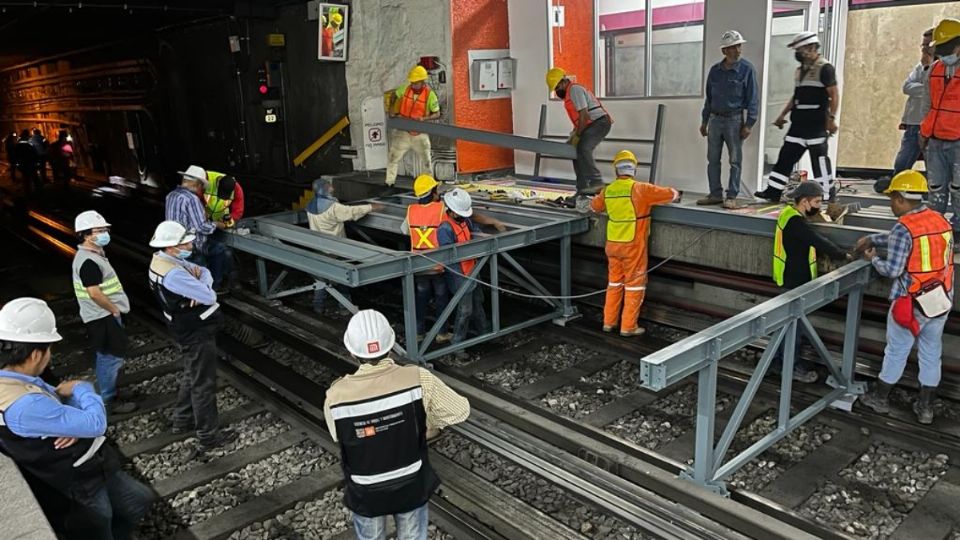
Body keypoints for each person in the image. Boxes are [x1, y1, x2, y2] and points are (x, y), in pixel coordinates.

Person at [0, 297, 154, 539]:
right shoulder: (25, 403)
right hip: (75, 482)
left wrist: (65, 421)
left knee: (138, 501)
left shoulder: (13, 380)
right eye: (49, 348)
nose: (50, 355)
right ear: (35, 355)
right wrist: (84, 388)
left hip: (89, 466)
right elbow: (96, 423)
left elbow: (55, 407)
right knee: (98, 528)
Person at [324, 309, 469, 540]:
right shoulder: (418, 378)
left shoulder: (336, 394)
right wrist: (427, 425)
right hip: (410, 483)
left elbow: (339, 436)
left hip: (365, 490)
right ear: (390, 346)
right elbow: (460, 410)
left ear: (352, 352)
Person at [857, 171, 953, 425]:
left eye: (891, 199)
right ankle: (925, 408)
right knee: (932, 351)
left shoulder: (903, 228)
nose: (890, 204)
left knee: (897, 350)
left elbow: (893, 270)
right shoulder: (940, 219)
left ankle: (879, 398)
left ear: (900, 198)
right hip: (939, 299)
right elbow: (912, 243)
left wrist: (872, 257)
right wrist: (873, 238)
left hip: (910, 302)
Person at [147, 221, 237, 455]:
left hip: (183, 326)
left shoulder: (162, 261)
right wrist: (201, 288)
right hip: (195, 329)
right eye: (185, 242)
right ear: (171, 246)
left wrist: (199, 283)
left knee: (192, 371)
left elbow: (204, 273)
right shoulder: (175, 273)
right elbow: (209, 295)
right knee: (203, 383)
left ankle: (182, 419)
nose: (190, 245)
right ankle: (208, 436)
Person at [590, 150, 678, 337]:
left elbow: (595, 207)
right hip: (633, 245)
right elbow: (671, 194)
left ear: (616, 171)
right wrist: (676, 193)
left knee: (614, 283)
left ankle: (608, 322)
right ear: (634, 170)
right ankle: (628, 327)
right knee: (634, 285)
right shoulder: (641, 189)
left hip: (613, 244)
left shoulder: (609, 190)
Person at [771, 182, 848, 382]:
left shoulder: (787, 214)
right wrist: (843, 255)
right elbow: (817, 240)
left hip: (789, 278)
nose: (818, 206)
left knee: (786, 326)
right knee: (793, 328)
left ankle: (778, 364)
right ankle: (791, 366)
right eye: (816, 202)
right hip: (794, 281)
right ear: (804, 201)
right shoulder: (796, 222)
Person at [755, 32, 840, 203]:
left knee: (820, 163)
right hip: (798, 125)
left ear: (812, 48)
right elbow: (796, 97)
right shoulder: (799, 71)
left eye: (799, 50)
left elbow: (834, 95)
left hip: (816, 125)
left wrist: (831, 119)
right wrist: (782, 115)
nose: (797, 54)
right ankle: (773, 192)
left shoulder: (825, 68)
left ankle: (826, 196)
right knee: (785, 159)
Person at [72, 210, 137, 414]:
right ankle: (108, 400)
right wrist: (114, 310)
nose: (104, 233)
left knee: (110, 355)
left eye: (105, 229)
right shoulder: (88, 261)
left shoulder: (93, 255)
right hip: (102, 316)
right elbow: (94, 293)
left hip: (103, 314)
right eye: (98, 230)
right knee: (110, 357)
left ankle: (111, 390)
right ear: (85, 234)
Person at [699, 30, 759, 209]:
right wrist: (704, 121)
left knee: (735, 160)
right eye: (733, 47)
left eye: (739, 46)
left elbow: (753, 98)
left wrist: (749, 124)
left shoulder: (747, 70)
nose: (738, 50)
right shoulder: (714, 72)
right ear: (724, 51)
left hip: (734, 121)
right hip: (715, 120)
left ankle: (731, 196)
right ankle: (715, 194)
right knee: (713, 159)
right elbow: (709, 98)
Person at [307, 177, 383, 315]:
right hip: (335, 249)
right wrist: (372, 207)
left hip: (318, 248)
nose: (333, 189)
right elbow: (351, 212)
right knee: (342, 278)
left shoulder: (311, 206)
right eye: (330, 187)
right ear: (324, 189)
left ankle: (318, 306)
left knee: (320, 279)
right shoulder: (332, 207)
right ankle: (345, 307)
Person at [545, 67, 613, 212]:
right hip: (590, 125)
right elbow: (579, 121)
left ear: (563, 81)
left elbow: (584, 115)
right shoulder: (569, 95)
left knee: (583, 147)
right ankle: (582, 189)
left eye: (557, 87)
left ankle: (596, 181)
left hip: (600, 122)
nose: (557, 91)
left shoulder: (575, 90)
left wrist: (577, 135)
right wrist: (573, 135)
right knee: (574, 152)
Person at [438, 189, 490, 359]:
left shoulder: (464, 221)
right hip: (459, 274)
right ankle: (458, 345)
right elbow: (449, 257)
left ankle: (485, 333)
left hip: (472, 269)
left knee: (478, 302)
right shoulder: (445, 228)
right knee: (465, 310)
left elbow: (474, 233)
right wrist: (462, 278)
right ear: (451, 211)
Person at [919, 18, 960, 233]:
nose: (943, 53)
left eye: (946, 48)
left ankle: (959, 231)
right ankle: (936, 229)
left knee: (959, 189)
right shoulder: (934, 70)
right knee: (936, 188)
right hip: (935, 139)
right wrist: (923, 131)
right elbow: (927, 104)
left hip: (958, 140)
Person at [165, 165, 225, 279]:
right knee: (220, 249)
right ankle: (215, 285)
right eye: (202, 186)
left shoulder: (171, 195)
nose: (201, 190)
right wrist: (217, 224)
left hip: (174, 246)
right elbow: (201, 227)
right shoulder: (192, 199)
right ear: (197, 184)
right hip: (191, 249)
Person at [385, 65, 440, 187]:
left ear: (422, 81)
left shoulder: (430, 95)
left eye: (416, 83)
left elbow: (437, 113)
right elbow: (394, 95)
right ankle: (389, 183)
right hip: (403, 132)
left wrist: (424, 118)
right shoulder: (405, 88)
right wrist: (391, 109)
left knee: (426, 161)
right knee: (393, 157)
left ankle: (430, 185)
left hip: (420, 133)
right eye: (412, 82)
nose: (413, 85)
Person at [893, 28, 935, 175]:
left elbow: (934, 91)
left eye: (927, 45)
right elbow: (907, 87)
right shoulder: (920, 66)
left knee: (934, 166)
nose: (924, 49)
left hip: (931, 125)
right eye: (922, 45)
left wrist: (927, 69)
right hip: (913, 123)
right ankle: (897, 191)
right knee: (902, 163)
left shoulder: (944, 67)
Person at [202, 170, 245, 290]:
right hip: (203, 223)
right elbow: (196, 196)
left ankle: (228, 280)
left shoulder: (237, 189)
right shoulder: (207, 181)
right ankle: (213, 281)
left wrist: (228, 221)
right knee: (206, 252)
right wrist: (201, 213)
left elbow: (238, 210)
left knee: (225, 251)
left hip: (219, 224)